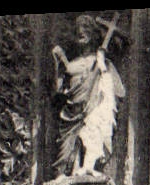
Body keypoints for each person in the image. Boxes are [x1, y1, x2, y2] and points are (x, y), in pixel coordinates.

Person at [52, 14, 125, 176]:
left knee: (91, 136)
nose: (81, 31)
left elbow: (117, 91)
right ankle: (66, 174)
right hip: (71, 112)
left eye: (85, 28)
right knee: (65, 152)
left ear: (93, 34)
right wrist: (59, 65)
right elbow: (59, 91)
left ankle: (89, 168)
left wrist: (102, 67)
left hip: (92, 109)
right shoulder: (73, 63)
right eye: (78, 29)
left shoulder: (100, 61)